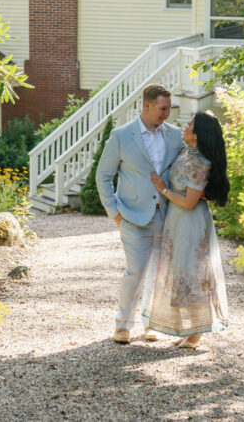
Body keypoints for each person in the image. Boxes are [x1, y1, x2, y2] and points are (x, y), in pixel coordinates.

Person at [96, 84, 183, 344]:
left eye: (169, 108)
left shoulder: (176, 135)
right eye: (162, 108)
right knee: (136, 271)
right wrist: (115, 213)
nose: (167, 113)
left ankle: (150, 324)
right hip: (132, 217)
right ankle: (122, 325)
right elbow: (103, 176)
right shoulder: (121, 136)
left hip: (167, 216)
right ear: (146, 106)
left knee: (159, 274)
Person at [141, 111, 230, 348]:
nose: (185, 126)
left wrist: (163, 189)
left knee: (192, 273)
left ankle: (196, 333)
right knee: (178, 271)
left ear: (199, 134)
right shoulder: (185, 152)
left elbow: (190, 202)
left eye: (189, 124)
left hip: (191, 222)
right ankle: (189, 330)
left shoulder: (201, 162)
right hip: (176, 220)